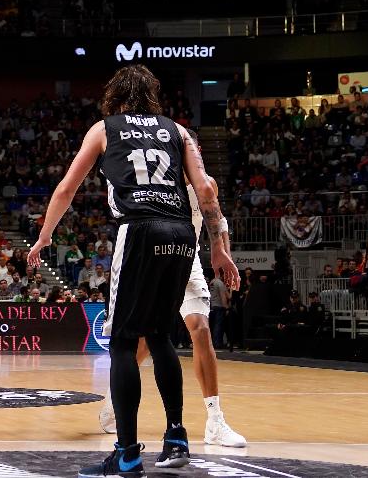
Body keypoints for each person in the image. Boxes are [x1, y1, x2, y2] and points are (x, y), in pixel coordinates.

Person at [29, 65, 239, 475]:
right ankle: (176, 435)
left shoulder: (105, 128)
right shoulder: (178, 132)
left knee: (124, 343)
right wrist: (217, 248)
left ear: (116, 96)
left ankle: (126, 452)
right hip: (181, 234)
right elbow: (207, 191)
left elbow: (67, 187)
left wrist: (43, 238)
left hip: (139, 228)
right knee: (159, 336)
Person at [95, 171, 246, 449]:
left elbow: (218, 222)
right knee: (145, 342)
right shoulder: (157, 181)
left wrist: (225, 256)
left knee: (201, 330)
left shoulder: (206, 183)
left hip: (189, 263)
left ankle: (215, 421)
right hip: (157, 260)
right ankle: (115, 396)